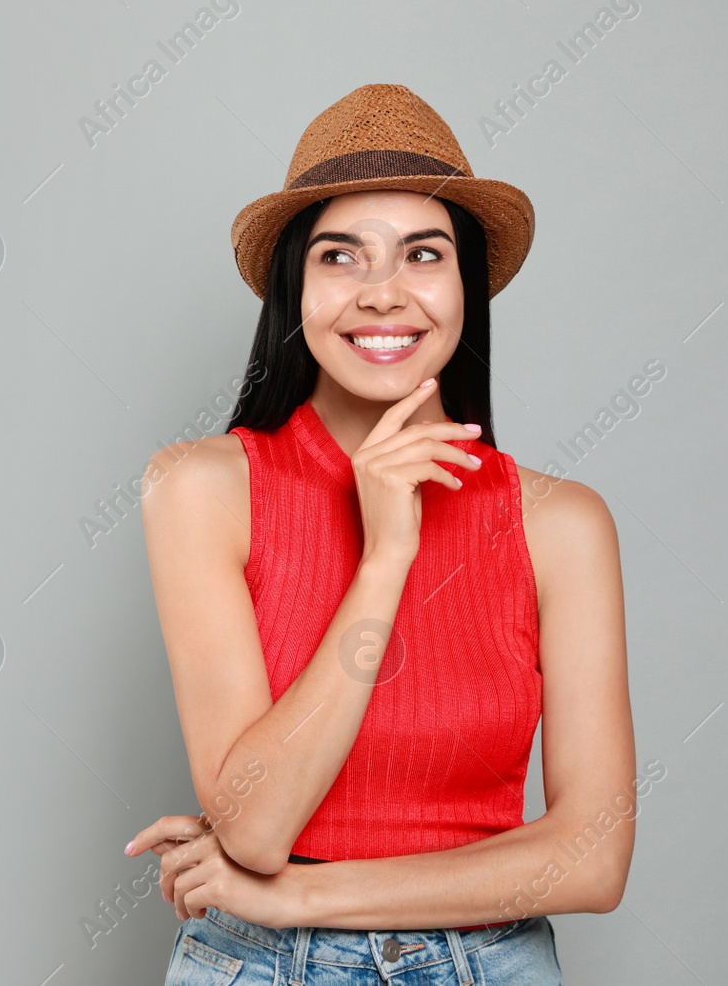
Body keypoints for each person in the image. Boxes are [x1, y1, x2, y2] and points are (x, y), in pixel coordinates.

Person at [129, 84, 635, 984]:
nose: (383, 293)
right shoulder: (202, 487)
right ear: (297, 283)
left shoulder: (561, 523)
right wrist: (386, 553)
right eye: (341, 256)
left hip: (490, 964)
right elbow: (256, 825)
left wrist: (302, 898)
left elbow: (592, 860)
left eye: (423, 254)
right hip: (256, 965)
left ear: (465, 285)